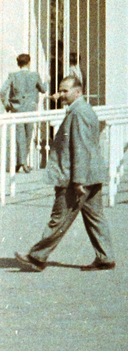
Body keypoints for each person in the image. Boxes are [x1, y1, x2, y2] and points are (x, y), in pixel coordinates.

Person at [16, 76, 114, 272]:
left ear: (77, 92)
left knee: (59, 217)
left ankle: (37, 257)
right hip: (91, 175)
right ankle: (106, 257)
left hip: (78, 177)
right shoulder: (81, 110)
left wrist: (78, 181)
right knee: (95, 217)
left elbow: (81, 147)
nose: (61, 95)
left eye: (64, 91)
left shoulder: (78, 114)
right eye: (60, 91)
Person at [4, 53, 47, 172]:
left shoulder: (13, 76)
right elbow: (43, 89)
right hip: (31, 109)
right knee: (28, 136)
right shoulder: (34, 75)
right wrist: (47, 81)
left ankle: (21, 162)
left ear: (18, 64)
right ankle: (22, 162)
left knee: (20, 136)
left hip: (17, 109)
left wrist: (7, 104)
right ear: (29, 63)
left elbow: (2, 91)